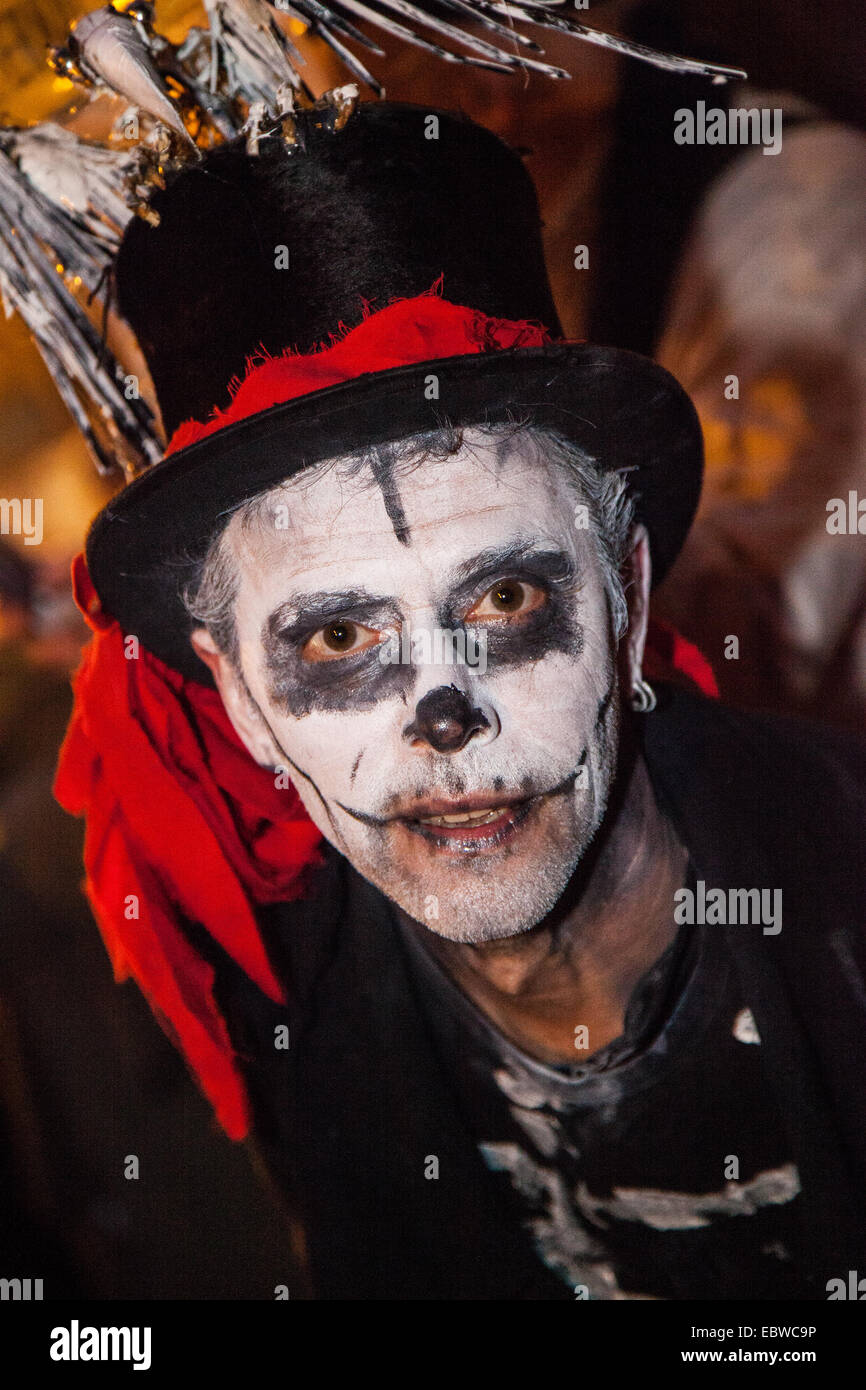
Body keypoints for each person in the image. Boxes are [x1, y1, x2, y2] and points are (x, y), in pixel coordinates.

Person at [53, 99, 866, 1301]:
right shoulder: (299, 1018)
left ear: (628, 595)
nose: (448, 720)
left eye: (500, 604)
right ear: (239, 704)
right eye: (337, 635)